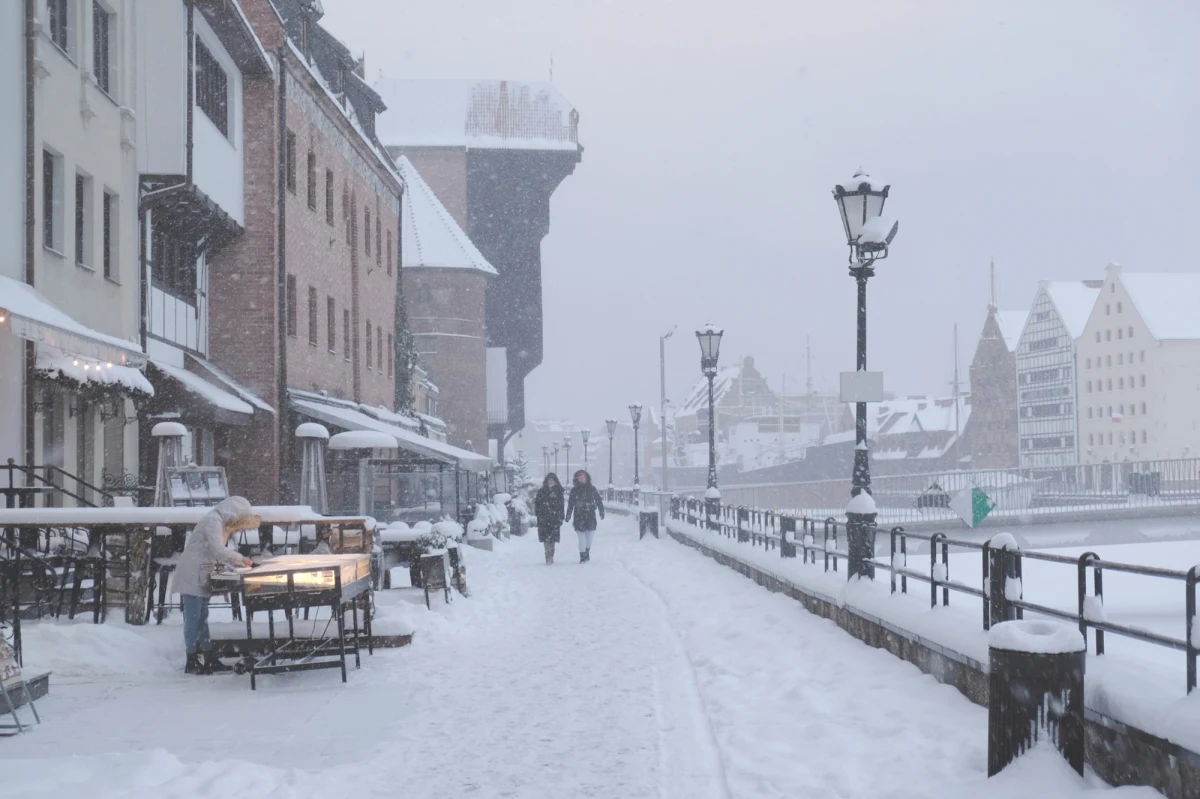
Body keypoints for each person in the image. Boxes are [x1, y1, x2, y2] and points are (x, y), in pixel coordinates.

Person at [173, 496, 258, 675]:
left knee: (202, 617)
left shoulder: (218, 521)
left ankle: (208, 656)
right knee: (193, 618)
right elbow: (218, 550)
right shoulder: (213, 521)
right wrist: (241, 559)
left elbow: (216, 552)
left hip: (201, 571)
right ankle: (192, 659)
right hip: (192, 573)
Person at [565, 470, 605, 563]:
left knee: (590, 536)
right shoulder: (574, 490)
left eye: (584, 477)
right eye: (580, 477)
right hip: (579, 516)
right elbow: (570, 504)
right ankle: (583, 556)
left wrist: (601, 510)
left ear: (587, 478)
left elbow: (598, 500)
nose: (582, 479)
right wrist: (568, 515)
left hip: (590, 515)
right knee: (582, 537)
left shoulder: (592, 488)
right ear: (577, 479)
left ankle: (587, 552)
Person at [534, 473, 565, 564]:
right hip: (544, 518)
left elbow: (561, 506)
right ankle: (547, 555)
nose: (550, 482)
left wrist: (561, 516)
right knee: (546, 538)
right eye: (549, 480)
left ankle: (551, 554)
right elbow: (537, 503)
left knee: (553, 538)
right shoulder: (541, 491)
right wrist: (538, 514)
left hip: (555, 518)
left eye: (552, 480)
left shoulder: (558, 491)